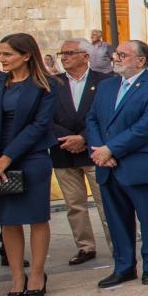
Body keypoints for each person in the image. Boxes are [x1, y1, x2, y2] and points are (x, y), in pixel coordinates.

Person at [86, 40, 148, 289]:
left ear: (141, 60)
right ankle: (123, 267)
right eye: (116, 54)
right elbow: (92, 119)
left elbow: (147, 126)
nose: (116, 58)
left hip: (141, 166)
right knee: (116, 220)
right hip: (109, 166)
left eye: (122, 55)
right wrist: (100, 151)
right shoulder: (106, 86)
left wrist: (111, 149)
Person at [0, 34, 58, 296]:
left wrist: (8, 157)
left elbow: (39, 126)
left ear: (26, 55)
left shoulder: (46, 85)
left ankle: (37, 274)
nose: (1, 60)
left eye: (7, 54)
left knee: (37, 217)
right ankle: (17, 277)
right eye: (0, 54)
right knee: (8, 220)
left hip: (32, 157)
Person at [50, 38, 107, 265]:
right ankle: (85, 247)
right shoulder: (52, 84)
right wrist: (67, 138)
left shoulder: (104, 81)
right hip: (63, 151)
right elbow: (44, 117)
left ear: (85, 56)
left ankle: (118, 243)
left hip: (94, 150)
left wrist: (82, 137)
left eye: (70, 53)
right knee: (74, 205)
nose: (64, 57)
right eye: (61, 53)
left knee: (105, 200)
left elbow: (104, 114)